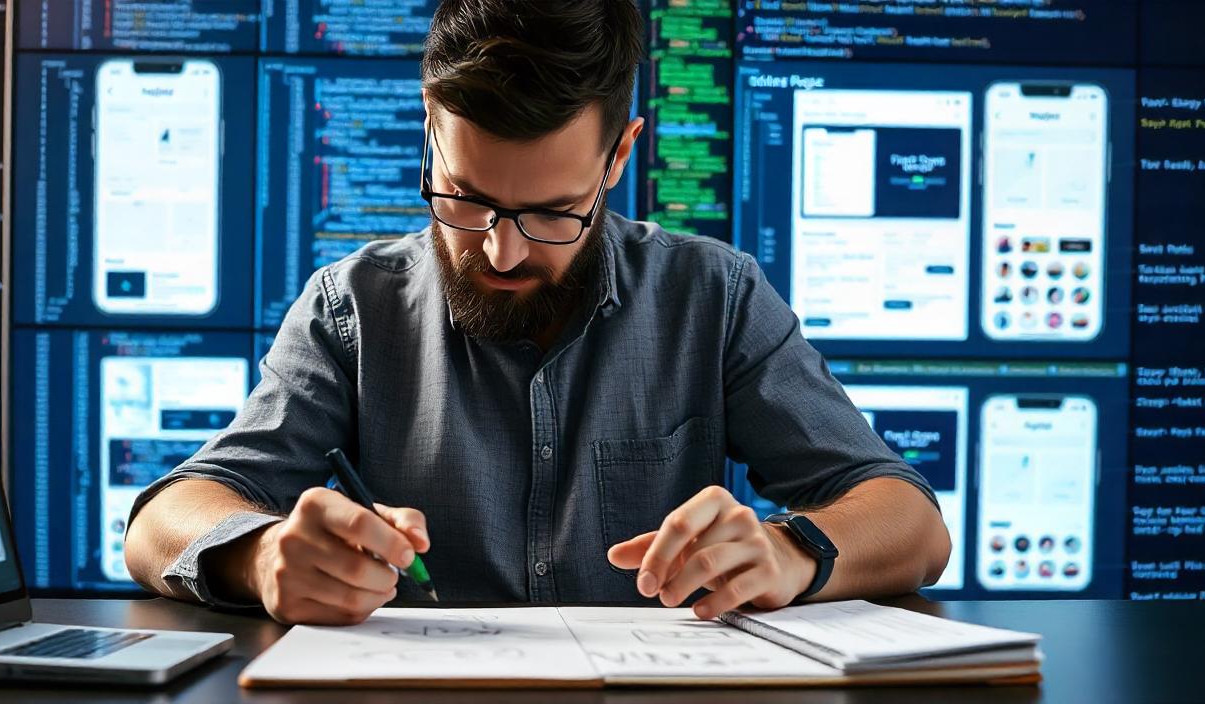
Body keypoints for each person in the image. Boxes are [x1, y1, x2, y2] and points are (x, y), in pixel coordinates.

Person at [125, 0, 950, 626]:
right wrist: (263, 556)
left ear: (619, 155)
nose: (500, 253)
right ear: (430, 129)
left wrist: (789, 550)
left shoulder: (714, 295)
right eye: (465, 200)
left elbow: (911, 522)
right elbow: (165, 518)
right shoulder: (353, 308)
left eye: (553, 214)